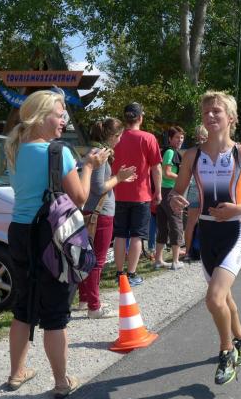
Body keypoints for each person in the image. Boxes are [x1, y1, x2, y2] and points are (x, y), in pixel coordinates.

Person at [4, 89, 107, 399]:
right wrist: (89, 167)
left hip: (20, 231)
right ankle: (62, 382)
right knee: (55, 312)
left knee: (24, 306)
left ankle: (16, 373)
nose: (64, 121)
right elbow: (80, 198)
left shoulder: (14, 148)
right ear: (40, 117)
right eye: (60, 115)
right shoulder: (58, 152)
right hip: (51, 234)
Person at [169, 90, 241, 385]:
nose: (210, 116)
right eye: (206, 112)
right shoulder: (192, 156)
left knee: (213, 298)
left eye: (217, 111)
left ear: (231, 118)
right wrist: (175, 200)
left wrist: (239, 207)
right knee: (224, 297)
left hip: (235, 230)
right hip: (207, 232)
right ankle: (240, 336)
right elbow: (177, 192)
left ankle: (227, 351)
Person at [77, 118, 137, 319]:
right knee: (97, 261)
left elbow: (97, 183)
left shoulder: (92, 151)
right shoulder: (101, 154)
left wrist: (118, 178)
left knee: (86, 258)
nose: (120, 140)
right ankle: (94, 307)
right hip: (100, 214)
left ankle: (85, 299)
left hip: (92, 212)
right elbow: (99, 187)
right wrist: (118, 178)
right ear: (112, 136)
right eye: (119, 136)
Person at [111, 102, 163, 286]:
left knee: (119, 235)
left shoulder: (116, 138)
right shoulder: (148, 138)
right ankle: (131, 274)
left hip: (117, 193)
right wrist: (158, 191)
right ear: (140, 118)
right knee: (137, 236)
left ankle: (119, 274)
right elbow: (156, 168)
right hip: (141, 195)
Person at [154, 126, 185, 270]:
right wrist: (183, 178)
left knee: (163, 226)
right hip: (170, 192)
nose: (180, 140)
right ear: (170, 139)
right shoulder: (170, 152)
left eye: (182, 137)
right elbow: (166, 173)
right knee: (176, 224)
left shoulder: (168, 151)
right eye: (177, 137)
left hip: (163, 192)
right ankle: (175, 261)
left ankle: (158, 260)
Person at [183, 125, 207, 262]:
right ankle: (204, 251)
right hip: (206, 189)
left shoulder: (191, 152)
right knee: (208, 221)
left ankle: (188, 252)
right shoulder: (211, 151)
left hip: (193, 188)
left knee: (190, 223)